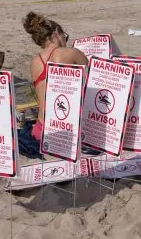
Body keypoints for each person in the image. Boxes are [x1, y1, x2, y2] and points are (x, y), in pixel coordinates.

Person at [23, 11, 99, 154]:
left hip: (41, 130)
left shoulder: (35, 62)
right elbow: (93, 83)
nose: (66, 40)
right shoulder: (71, 53)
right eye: (65, 36)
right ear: (57, 33)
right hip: (68, 132)